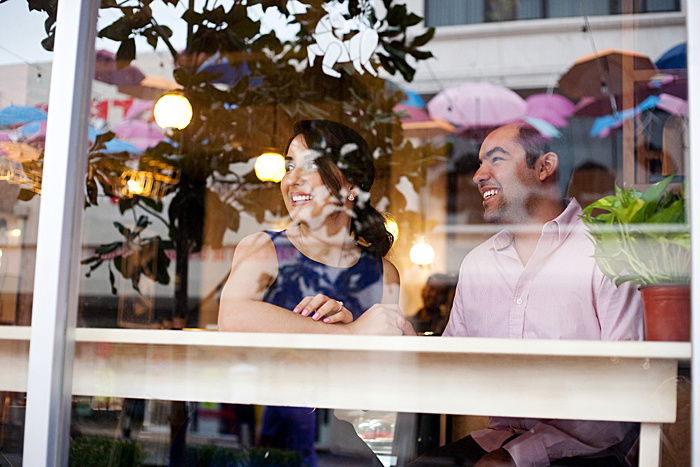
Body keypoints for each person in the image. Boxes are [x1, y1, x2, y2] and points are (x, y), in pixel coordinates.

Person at [410, 123, 643, 467]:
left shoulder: (608, 252)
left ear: (545, 167)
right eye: (479, 163)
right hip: (499, 440)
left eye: (496, 159)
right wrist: (401, 339)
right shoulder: (477, 264)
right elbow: (450, 370)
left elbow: (628, 388)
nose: (478, 175)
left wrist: (518, 457)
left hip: (591, 451)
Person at [218, 119, 414, 466]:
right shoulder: (262, 248)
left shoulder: (382, 274)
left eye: (310, 165)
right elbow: (232, 319)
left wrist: (399, 345)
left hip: (350, 454)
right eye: (289, 166)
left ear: (351, 184)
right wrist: (350, 333)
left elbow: (381, 391)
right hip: (270, 448)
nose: (292, 179)